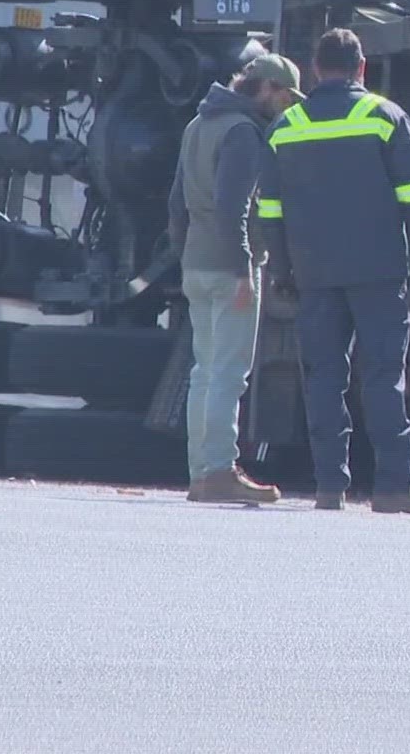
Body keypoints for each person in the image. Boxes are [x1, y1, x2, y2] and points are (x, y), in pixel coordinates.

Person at [256, 28, 410, 514]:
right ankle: (392, 487)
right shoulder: (383, 117)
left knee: (324, 376)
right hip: (377, 271)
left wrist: (281, 270)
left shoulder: (285, 127)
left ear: (316, 68)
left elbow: (270, 211)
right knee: (383, 377)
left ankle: (329, 486)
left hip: (315, 275)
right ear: (361, 68)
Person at [167, 48, 303, 505]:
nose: (286, 107)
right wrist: (246, 267)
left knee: (205, 371)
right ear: (265, 87)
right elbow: (234, 209)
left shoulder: (197, 125)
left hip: (196, 264)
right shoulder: (244, 132)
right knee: (229, 373)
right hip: (231, 269)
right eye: (285, 96)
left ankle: (201, 471)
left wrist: (184, 252)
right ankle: (221, 470)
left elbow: (176, 206)